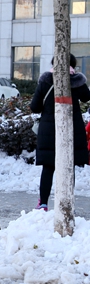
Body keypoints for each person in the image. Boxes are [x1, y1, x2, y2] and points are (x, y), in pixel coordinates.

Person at [31, 54, 90, 211]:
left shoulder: (46, 80)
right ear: (73, 65)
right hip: (72, 129)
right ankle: (66, 202)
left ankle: (43, 203)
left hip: (49, 130)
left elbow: (35, 106)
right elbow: (86, 98)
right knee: (68, 166)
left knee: (48, 167)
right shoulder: (76, 81)